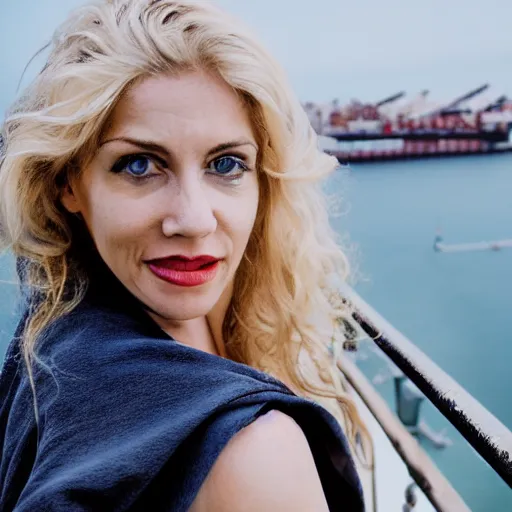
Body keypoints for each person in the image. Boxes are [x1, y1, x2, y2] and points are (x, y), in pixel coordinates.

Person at [0, 0, 368, 510]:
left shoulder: (56, 330)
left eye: (226, 163)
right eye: (138, 165)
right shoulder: (254, 451)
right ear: (69, 184)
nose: (194, 219)